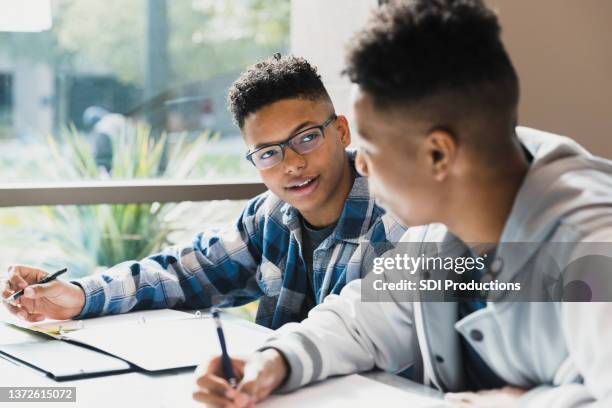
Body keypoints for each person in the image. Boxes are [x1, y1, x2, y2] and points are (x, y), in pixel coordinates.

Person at [192, 1, 612, 407]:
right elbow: (362, 320)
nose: (361, 164)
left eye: (371, 148)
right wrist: (272, 361)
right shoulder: (444, 228)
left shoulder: (593, 246)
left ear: (438, 155)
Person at [2, 55, 405, 331]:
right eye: (268, 153)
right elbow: (179, 274)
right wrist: (77, 295)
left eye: (306, 138)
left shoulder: (400, 224)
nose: (291, 164)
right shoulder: (269, 217)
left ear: (341, 132)